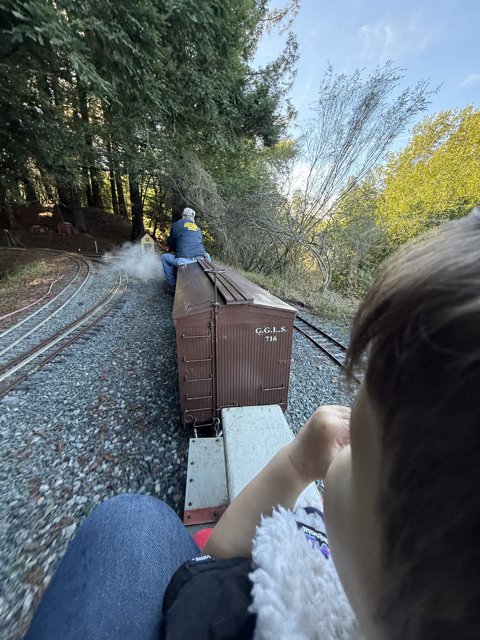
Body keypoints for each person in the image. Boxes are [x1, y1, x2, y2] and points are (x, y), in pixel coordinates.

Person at [25, 210, 480, 639]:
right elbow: (225, 553)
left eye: (359, 452)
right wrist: (297, 465)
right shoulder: (364, 581)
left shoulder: (252, 611)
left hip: (191, 594)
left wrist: (298, 466)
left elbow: (216, 556)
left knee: (129, 519)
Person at [161, 207, 211, 293]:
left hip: (184, 260)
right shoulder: (197, 228)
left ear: (183, 216)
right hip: (202, 259)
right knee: (207, 254)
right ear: (193, 217)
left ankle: (171, 285)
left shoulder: (176, 225)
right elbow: (199, 244)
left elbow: (171, 242)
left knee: (164, 257)